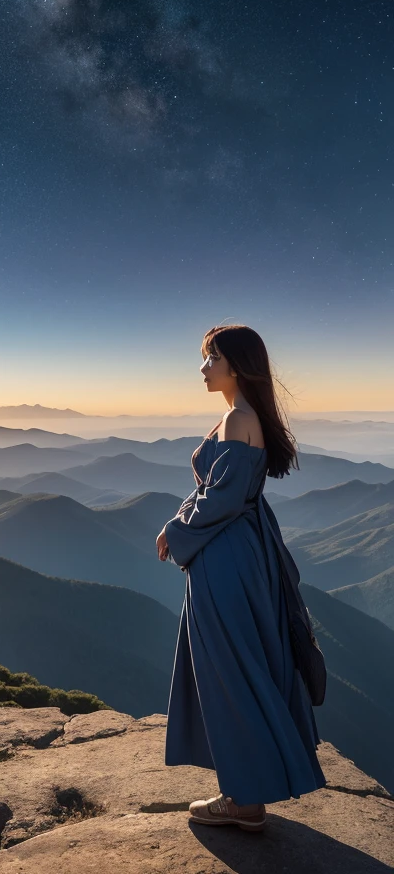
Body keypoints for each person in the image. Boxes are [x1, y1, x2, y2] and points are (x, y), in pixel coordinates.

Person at [155, 323, 327, 832]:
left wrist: (176, 529)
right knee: (243, 663)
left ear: (235, 365)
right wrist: (184, 519)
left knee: (229, 669)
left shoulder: (237, 419)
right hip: (243, 550)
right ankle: (246, 789)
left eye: (211, 359)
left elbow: (223, 500)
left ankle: (245, 799)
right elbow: (225, 491)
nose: (203, 368)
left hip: (225, 556)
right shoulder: (242, 417)